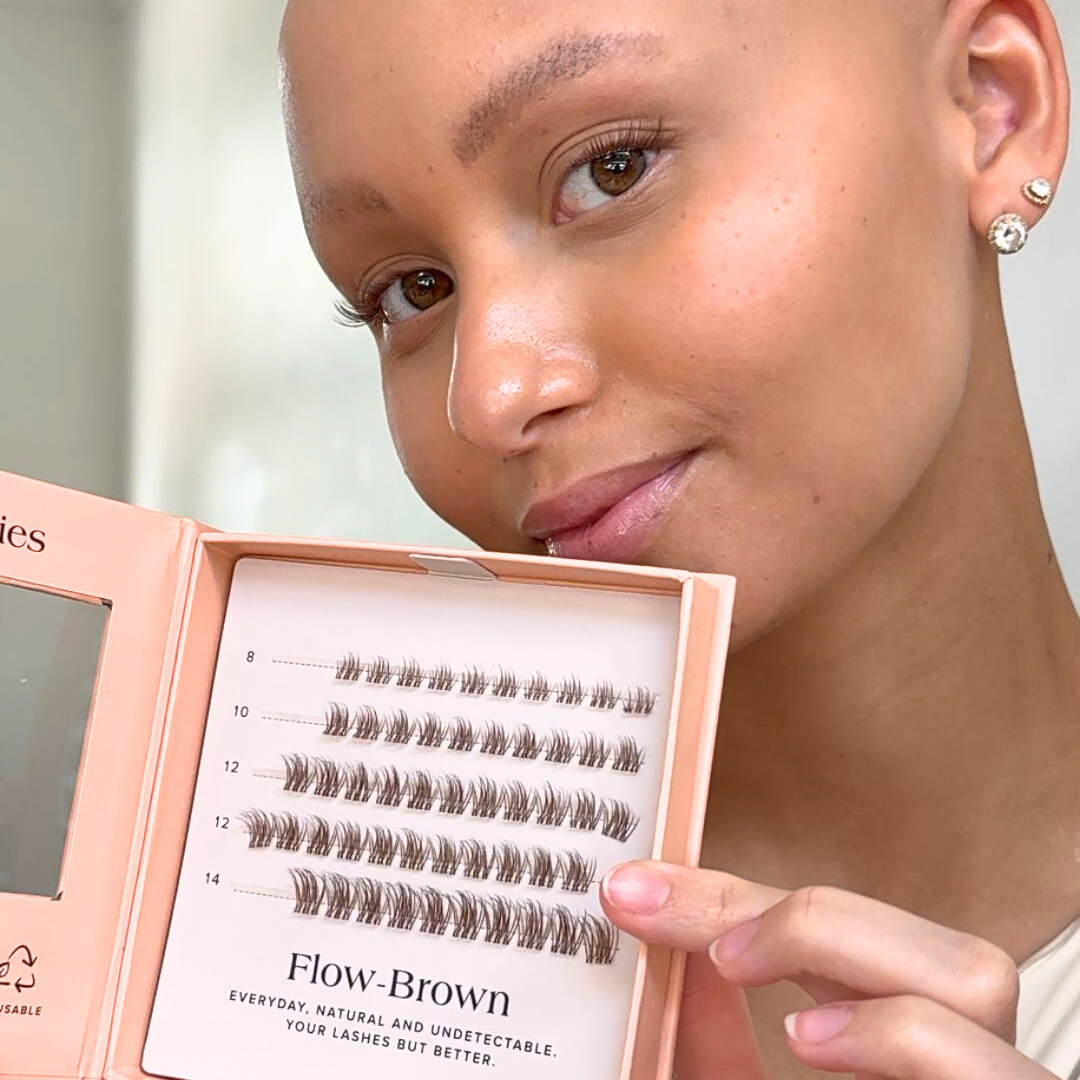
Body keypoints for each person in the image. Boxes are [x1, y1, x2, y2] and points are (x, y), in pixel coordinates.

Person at [278, 0, 1080, 1075]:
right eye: (412, 291)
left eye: (610, 169)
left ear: (995, 104)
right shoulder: (311, 1001)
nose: (491, 393)